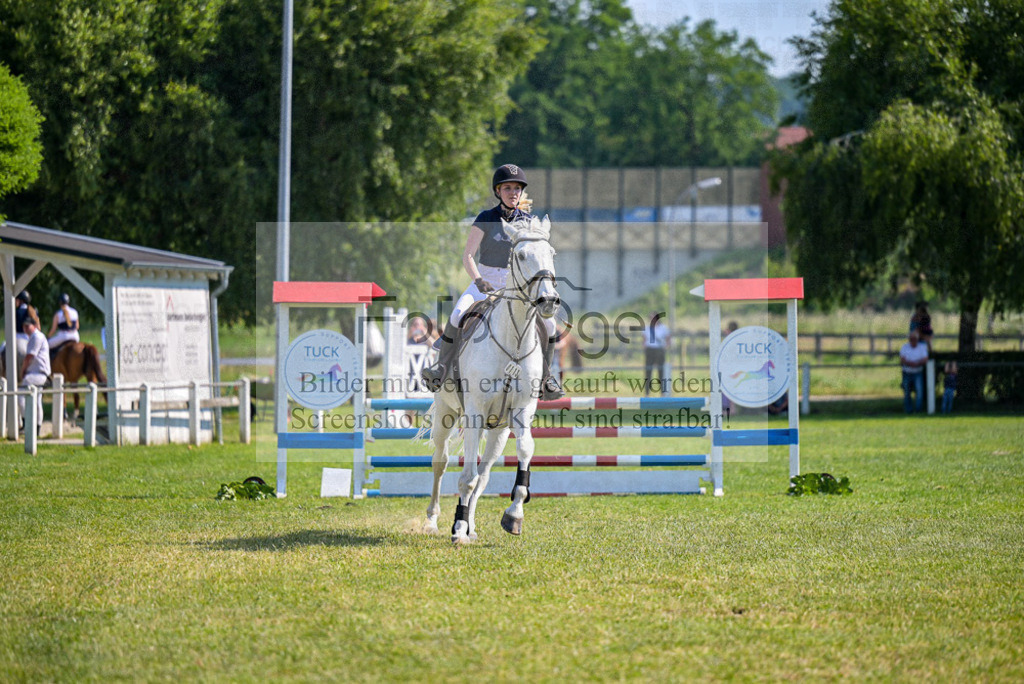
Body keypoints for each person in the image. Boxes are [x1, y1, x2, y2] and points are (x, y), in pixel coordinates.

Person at [421, 164, 563, 399]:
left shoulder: (528, 222)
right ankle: (441, 368)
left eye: (517, 188)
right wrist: (478, 280)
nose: (513, 192)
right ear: (498, 191)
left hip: (515, 288)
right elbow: (468, 255)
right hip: (485, 282)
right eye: (507, 188)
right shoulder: (486, 218)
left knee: (548, 325)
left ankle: (546, 379)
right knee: (457, 314)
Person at [19, 317, 50, 429]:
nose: (25, 328)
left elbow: (29, 356)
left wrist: (23, 370)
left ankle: (26, 423)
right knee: (37, 401)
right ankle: (36, 427)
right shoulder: (35, 336)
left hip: (36, 374)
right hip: (38, 373)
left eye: (28, 326)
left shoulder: (36, 336)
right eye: (24, 326)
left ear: (34, 325)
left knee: (20, 397)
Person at [0, 290, 40, 362]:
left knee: (2, 347)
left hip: (16, 337)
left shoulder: (14, 311)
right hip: (30, 338)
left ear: (20, 300)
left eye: (17, 300)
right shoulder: (33, 311)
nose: (15, 301)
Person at [899, 330, 929, 413]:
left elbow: (925, 359)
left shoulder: (922, 347)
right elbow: (902, 360)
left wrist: (916, 363)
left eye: (914, 339)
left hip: (918, 372)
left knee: (919, 391)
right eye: (911, 339)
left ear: (917, 339)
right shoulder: (904, 347)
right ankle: (908, 410)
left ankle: (918, 410)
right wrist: (911, 363)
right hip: (907, 372)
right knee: (907, 392)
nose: (913, 340)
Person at [643, 312, 670, 396]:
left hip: (659, 350)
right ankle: (647, 393)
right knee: (648, 371)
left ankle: (662, 393)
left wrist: (665, 347)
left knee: (661, 371)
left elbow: (668, 339)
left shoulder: (663, 328)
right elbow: (644, 340)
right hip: (650, 350)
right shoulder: (647, 328)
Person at [47, 292, 80, 358]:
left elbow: (53, 330)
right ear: (68, 302)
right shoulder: (74, 311)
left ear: (60, 303)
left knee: (46, 345)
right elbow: (77, 327)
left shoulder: (58, 314)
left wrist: (47, 337)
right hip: (75, 336)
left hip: (63, 336)